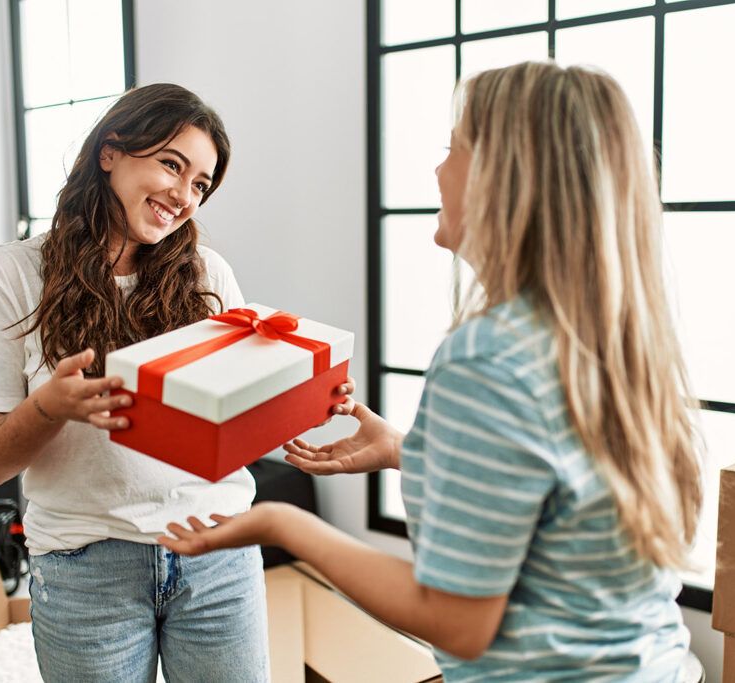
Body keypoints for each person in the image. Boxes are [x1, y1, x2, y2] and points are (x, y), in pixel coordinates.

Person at [160, 61, 704, 681]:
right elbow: (562, 507)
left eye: (454, 147)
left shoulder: (488, 355)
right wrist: (408, 451)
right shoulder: (607, 334)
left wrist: (285, 525)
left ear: (508, 178)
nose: (439, 169)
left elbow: (459, 623)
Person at [0, 83, 353, 682]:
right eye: (171, 164)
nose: (183, 196)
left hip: (219, 552)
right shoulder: (9, 275)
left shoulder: (208, 274)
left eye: (200, 184)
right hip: (86, 569)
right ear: (110, 152)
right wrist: (49, 407)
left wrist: (300, 402)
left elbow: (231, 424)